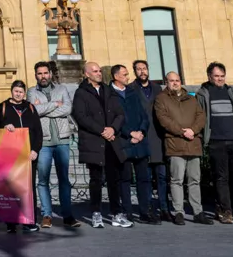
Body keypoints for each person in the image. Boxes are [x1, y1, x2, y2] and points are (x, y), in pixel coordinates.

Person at [72, 61, 127, 229]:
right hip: (94, 141)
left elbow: (120, 113)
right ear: (86, 74)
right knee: (96, 179)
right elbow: (80, 116)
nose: (98, 73)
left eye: (99, 71)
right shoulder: (81, 93)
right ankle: (96, 213)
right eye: (94, 71)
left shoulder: (108, 90)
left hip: (111, 141)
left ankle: (117, 213)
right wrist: (101, 130)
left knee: (113, 178)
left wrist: (113, 129)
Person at [195, 62, 233, 224]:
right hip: (215, 141)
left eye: (222, 76)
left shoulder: (232, 91)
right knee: (221, 178)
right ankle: (226, 211)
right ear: (209, 76)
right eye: (216, 76)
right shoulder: (203, 93)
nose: (219, 79)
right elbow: (199, 117)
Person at [28, 61, 80, 229]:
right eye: (39, 73)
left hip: (63, 139)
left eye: (45, 73)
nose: (43, 76)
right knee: (43, 179)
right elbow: (34, 111)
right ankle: (47, 214)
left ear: (50, 74)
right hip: (43, 141)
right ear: (36, 75)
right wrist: (54, 105)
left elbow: (67, 109)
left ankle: (68, 215)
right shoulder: (31, 92)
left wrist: (44, 108)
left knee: (64, 179)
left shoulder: (62, 89)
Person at [153, 71, 209, 225]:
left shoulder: (191, 99)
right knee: (176, 180)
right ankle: (179, 212)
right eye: (172, 80)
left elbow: (201, 116)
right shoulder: (161, 99)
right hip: (175, 144)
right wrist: (182, 131)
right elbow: (164, 119)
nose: (175, 83)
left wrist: (193, 130)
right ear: (166, 82)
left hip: (193, 144)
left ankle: (198, 211)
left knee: (194, 180)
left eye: (177, 80)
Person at [0, 80, 43, 233]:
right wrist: (3, 127)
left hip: (29, 156)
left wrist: (35, 150)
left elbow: (38, 132)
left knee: (29, 188)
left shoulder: (30, 107)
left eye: (21, 92)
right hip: (10, 156)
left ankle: (29, 220)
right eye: (16, 91)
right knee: (10, 188)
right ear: (11, 91)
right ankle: (11, 222)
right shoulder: (3, 107)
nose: (18, 94)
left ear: (24, 93)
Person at [110, 65, 152, 227]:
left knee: (143, 178)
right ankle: (126, 212)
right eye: (125, 74)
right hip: (124, 142)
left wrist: (141, 131)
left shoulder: (133, 92)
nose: (128, 77)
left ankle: (144, 211)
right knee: (125, 179)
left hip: (140, 141)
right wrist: (130, 134)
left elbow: (143, 115)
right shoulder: (110, 94)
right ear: (116, 77)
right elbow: (113, 119)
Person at [132, 60, 169, 223]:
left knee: (161, 176)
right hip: (141, 137)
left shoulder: (157, 89)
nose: (142, 72)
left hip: (158, 137)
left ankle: (164, 208)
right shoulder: (131, 89)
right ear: (135, 72)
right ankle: (146, 209)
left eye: (144, 68)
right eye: (138, 69)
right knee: (144, 176)